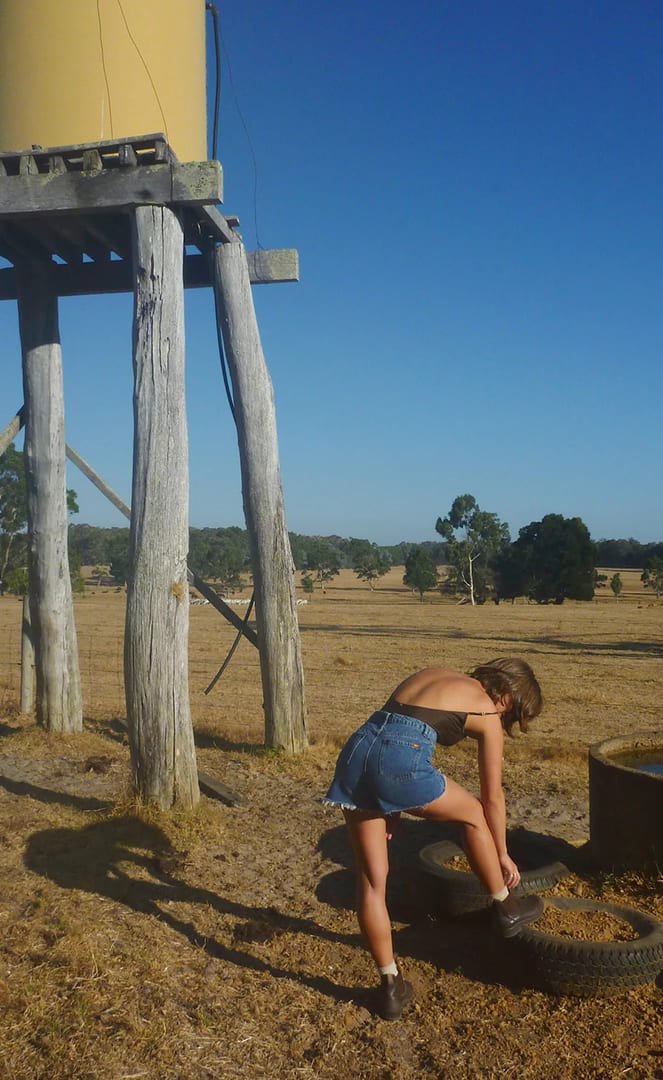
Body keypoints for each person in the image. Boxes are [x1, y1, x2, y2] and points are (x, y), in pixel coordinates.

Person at [323, 657, 545, 1020]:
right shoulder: (488, 711)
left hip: (356, 752)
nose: (503, 723)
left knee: (370, 881)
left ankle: (391, 986)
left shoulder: (433, 674)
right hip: (399, 759)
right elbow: (493, 796)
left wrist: (389, 806)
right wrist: (502, 853)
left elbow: (387, 732)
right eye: (511, 716)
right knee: (473, 814)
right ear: (507, 698)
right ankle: (506, 908)